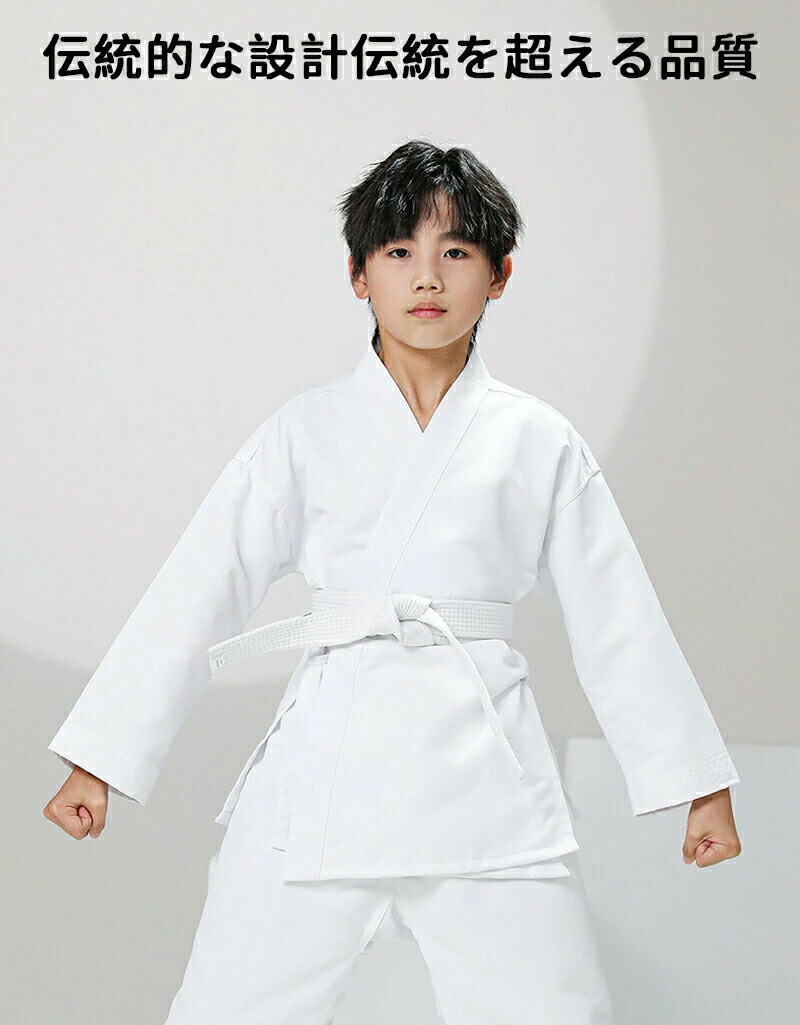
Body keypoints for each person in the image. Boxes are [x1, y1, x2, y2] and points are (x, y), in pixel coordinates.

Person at [44, 140, 742, 1024]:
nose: (427, 277)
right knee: (229, 1007)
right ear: (358, 274)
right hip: (321, 783)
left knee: (552, 1010)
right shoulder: (304, 434)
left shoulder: (538, 441)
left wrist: (695, 784)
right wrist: (99, 760)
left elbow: (620, 621)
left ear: (500, 275)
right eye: (399, 251)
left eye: (457, 251)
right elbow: (195, 592)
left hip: (484, 782)